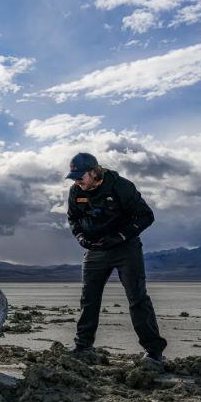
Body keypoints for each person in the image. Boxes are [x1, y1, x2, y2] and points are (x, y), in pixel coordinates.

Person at [65, 153, 167, 364]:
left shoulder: (120, 186)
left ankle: (153, 352)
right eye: (73, 177)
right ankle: (83, 347)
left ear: (93, 172)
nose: (76, 181)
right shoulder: (76, 191)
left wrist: (120, 236)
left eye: (80, 176)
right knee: (88, 299)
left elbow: (146, 215)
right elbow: (73, 218)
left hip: (125, 249)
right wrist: (80, 236)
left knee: (137, 298)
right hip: (95, 250)